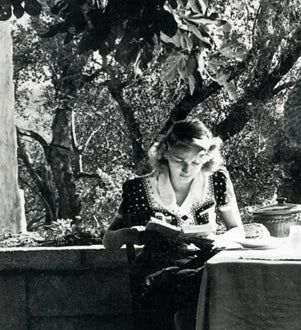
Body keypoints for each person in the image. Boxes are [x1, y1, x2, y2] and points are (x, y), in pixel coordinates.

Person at [103, 118, 244, 330]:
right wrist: (132, 233)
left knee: (207, 283)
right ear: (166, 152)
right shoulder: (139, 189)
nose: (188, 169)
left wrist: (219, 239)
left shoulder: (216, 181)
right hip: (158, 270)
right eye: (180, 160)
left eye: (196, 162)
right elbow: (108, 241)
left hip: (204, 263)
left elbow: (238, 230)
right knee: (192, 289)